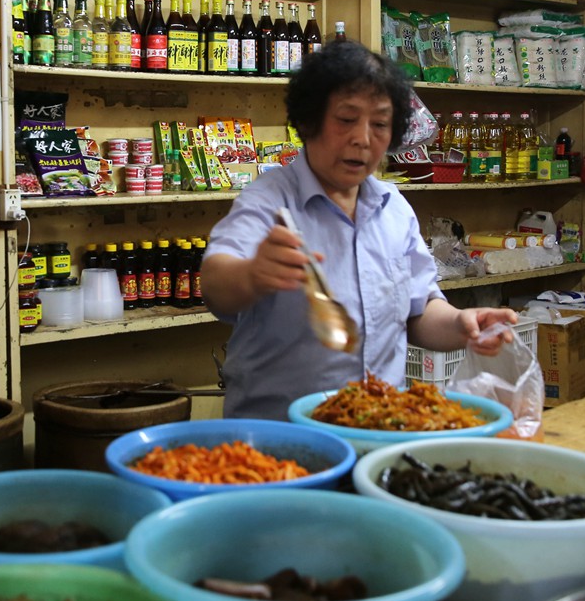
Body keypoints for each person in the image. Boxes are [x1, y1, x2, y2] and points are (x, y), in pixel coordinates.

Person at [200, 40, 517, 419]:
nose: (363, 139)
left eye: (380, 124)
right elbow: (215, 284)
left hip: (377, 427)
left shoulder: (394, 209)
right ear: (308, 121)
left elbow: (420, 312)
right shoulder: (268, 201)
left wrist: (462, 325)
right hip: (278, 437)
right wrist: (252, 276)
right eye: (346, 119)